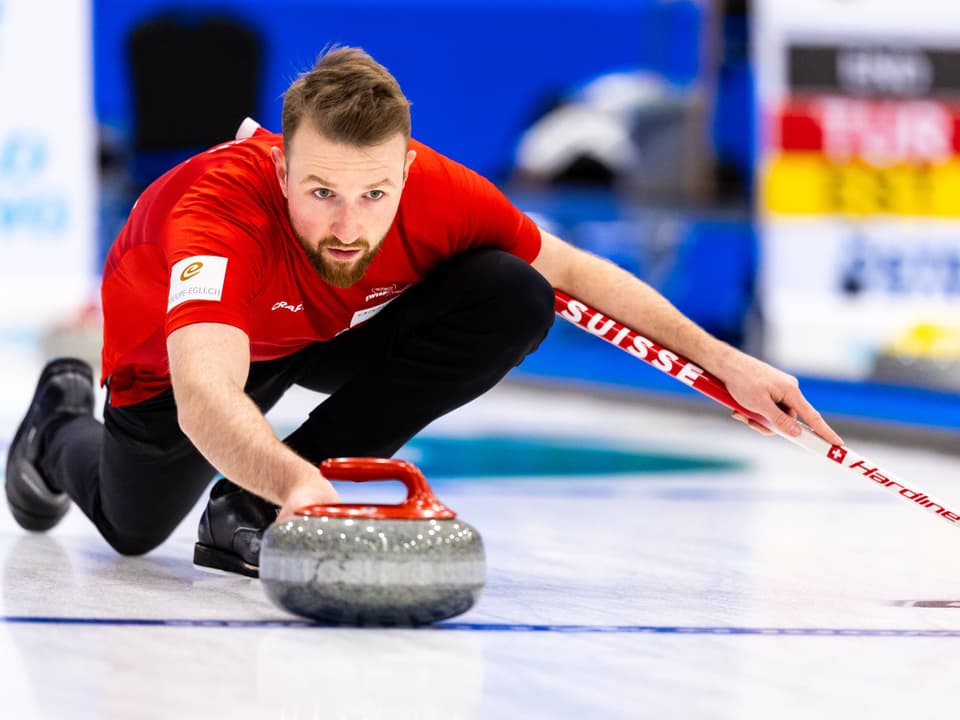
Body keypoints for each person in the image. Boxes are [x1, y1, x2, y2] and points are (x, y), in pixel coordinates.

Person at [5, 46, 842, 578]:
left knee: (515, 293)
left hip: (329, 327)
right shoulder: (216, 217)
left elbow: (576, 270)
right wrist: (306, 488)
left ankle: (249, 512)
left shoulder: (435, 191)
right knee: (130, 527)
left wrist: (728, 363)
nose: (349, 224)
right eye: (322, 193)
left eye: (375, 194)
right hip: (195, 352)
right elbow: (206, 396)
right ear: (281, 169)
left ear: (406, 169)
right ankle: (55, 427)